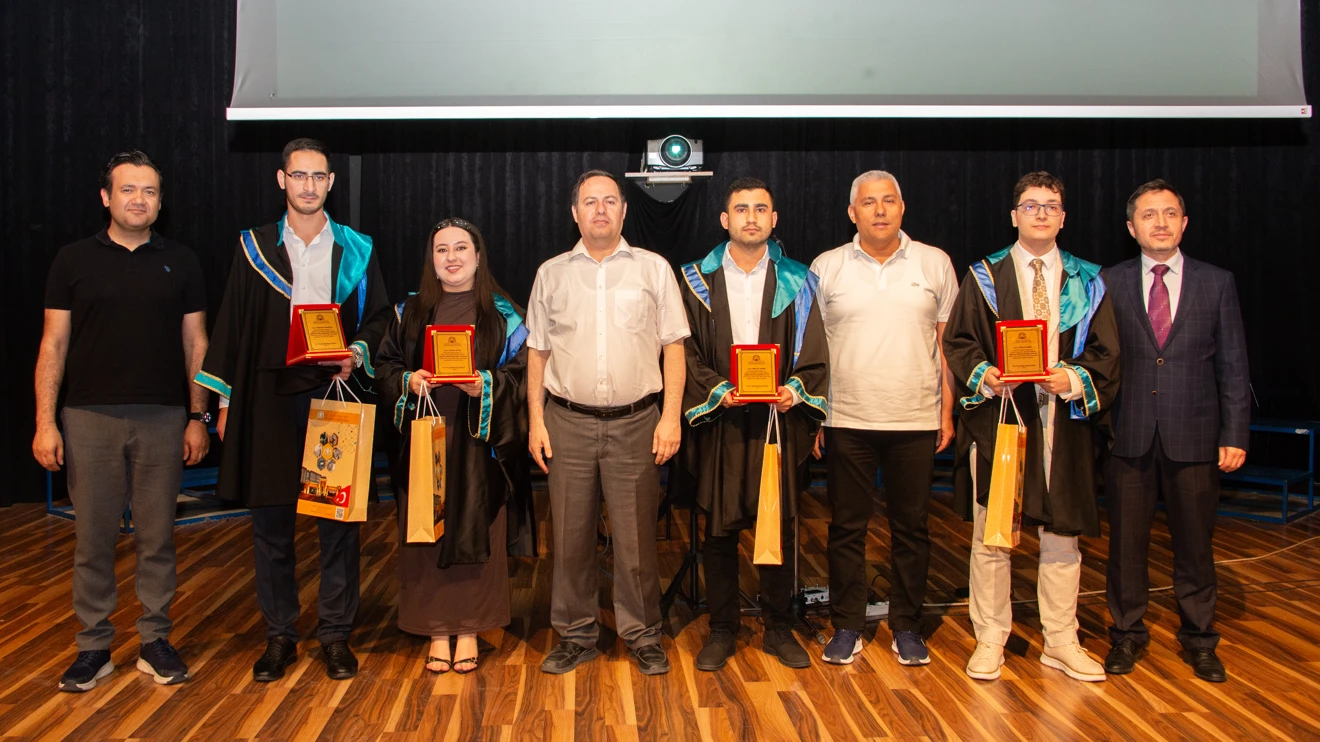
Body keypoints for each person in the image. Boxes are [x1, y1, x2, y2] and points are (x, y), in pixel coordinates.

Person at [193, 138, 392, 682]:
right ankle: (280, 634)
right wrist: (226, 404)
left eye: (318, 176)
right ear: (282, 180)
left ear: (331, 183)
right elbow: (234, 326)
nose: (309, 185)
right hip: (267, 396)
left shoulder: (356, 248)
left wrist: (356, 352)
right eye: (299, 175)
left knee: (337, 525)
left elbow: (379, 317)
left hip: (333, 393)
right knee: (272, 525)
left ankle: (335, 634)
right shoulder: (253, 247)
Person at [34, 151, 209, 692]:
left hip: (164, 417)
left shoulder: (182, 261)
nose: (139, 199)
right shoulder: (72, 260)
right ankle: (93, 647)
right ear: (106, 197)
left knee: (157, 538)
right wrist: (45, 422)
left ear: (160, 201)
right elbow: (52, 345)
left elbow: (196, 344)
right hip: (88, 417)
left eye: (149, 191)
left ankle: (155, 640)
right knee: (93, 539)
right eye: (128, 189)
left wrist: (198, 416)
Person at [943, 171, 1120, 683]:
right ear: (1014, 215)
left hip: (1064, 418)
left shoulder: (1088, 281)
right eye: (1030, 205)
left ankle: (1061, 640)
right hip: (1002, 416)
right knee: (993, 535)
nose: (1041, 213)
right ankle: (991, 637)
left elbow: (1107, 352)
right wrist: (986, 374)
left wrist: (1073, 377)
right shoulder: (984, 276)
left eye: (1050, 205)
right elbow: (959, 343)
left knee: (1062, 536)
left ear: (1063, 217)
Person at [525, 170, 690, 676]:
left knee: (636, 541)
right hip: (567, 423)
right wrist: (535, 421)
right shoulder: (551, 273)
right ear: (574, 213)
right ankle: (576, 634)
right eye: (590, 202)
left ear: (624, 210)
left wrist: (671, 417)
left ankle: (642, 634)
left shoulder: (654, 269)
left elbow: (674, 347)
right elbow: (537, 352)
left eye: (610, 201)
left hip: (637, 424)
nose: (600, 209)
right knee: (570, 538)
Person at [808, 170, 958, 667]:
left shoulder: (935, 262)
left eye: (888, 200)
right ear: (852, 213)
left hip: (915, 417)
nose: (879, 210)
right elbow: (812, 350)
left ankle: (908, 626)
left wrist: (946, 412)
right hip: (845, 417)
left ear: (902, 207)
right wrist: (815, 417)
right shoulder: (826, 266)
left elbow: (948, 346)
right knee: (846, 528)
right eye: (868, 202)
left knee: (912, 529)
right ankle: (847, 625)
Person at [1102, 180, 1249, 683]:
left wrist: (1235, 433)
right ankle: (1126, 634)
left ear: (1184, 223)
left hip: (1197, 436)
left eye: (1169, 213)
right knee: (1125, 546)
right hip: (1129, 434)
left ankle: (1200, 639)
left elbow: (1233, 365)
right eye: (1149, 215)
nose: (1160, 222)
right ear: (1131, 228)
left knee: (1195, 545)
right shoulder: (1110, 281)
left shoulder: (1217, 282)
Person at [375, 218, 536, 675]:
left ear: (478, 256)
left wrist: (485, 385)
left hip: (479, 445)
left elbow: (525, 374)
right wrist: (409, 380)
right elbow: (384, 367)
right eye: (441, 249)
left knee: (478, 529)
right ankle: (435, 629)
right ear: (431, 258)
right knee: (426, 533)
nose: (451, 257)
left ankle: (469, 628)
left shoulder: (506, 316)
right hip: (425, 438)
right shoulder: (408, 312)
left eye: (461, 248)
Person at [680, 178, 829, 672]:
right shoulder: (695, 281)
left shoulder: (799, 281)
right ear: (725, 220)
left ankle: (779, 627)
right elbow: (684, 352)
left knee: (778, 527)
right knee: (718, 531)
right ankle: (723, 628)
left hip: (775, 420)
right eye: (741, 209)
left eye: (760, 209)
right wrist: (717, 389)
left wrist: (795, 390)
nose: (751, 217)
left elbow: (815, 350)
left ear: (774, 219)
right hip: (721, 417)